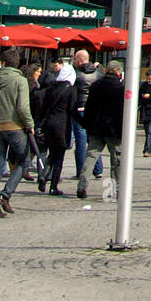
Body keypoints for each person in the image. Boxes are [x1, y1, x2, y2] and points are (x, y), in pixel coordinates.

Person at [0, 47, 34, 217]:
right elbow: (22, 107)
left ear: (3, 62)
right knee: (24, 161)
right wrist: (29, 124)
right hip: (15, 127)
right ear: (17, 62)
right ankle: (6, 194)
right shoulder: (20, 80)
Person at [78, 61, 125, 198]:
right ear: (117, 71)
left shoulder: (95, 86)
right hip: (114, 129)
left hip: (97, 128)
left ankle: (82, 186)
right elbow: (123, 112)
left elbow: (89, 109)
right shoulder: (121, 87)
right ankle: (116, 189)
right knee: (116, 159)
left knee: (91, 156)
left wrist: (87, 125)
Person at [38, 61, 77, 197]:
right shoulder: (71, 90)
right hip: (62, 124)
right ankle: (53, 186)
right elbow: (72, 109)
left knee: (51, 153)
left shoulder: (51, 88)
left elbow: (44, 107)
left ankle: (43, 175)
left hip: (49, 123)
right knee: (59, 156)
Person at [72, 50, 105, 182]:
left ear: (80, 60)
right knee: (94, 141)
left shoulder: (76, 74)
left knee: (80, 140)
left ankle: (81, 170)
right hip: (94, 109)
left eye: (75, 58)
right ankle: (98, 170)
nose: (73, 61)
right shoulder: (98, 73)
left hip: (80, 108)